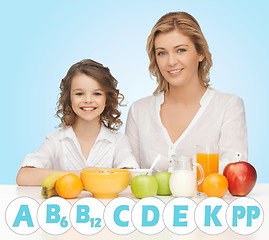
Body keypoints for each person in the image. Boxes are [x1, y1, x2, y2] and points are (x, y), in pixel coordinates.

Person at [125, 12, 247, 173]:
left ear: (200, 53)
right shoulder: (138, 111)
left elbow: (233, 171)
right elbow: (128, 172)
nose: (171, 61)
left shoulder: (228, 106)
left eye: (181, 50)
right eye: (162, 53)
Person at [17, 59, 139, 186]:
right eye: (79, 93)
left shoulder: (118, 141)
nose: (88, 100)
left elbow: (131, 176)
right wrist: (81, 174)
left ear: (107, 99)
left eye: (97, 93)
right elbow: (23, 176)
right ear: (69, 99)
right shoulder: (56, 141)